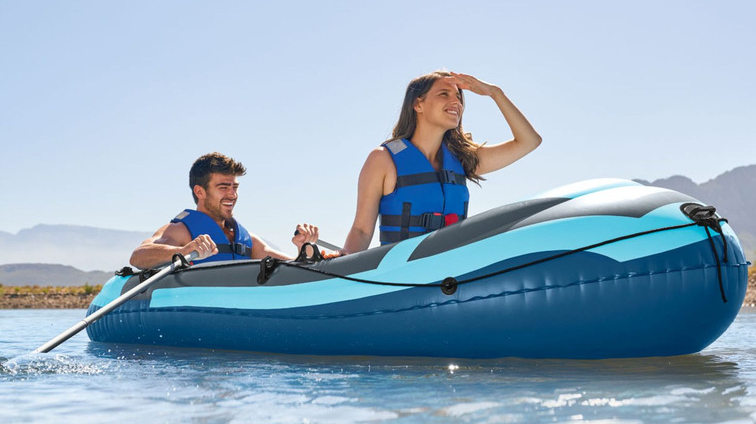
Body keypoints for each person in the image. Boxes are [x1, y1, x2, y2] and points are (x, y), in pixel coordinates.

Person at [341, 71, 542, 253]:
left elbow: (529, 141)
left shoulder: (462, 159)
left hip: (451, 274)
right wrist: (342, 261)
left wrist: (495, 93)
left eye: (458, 97)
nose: (456, 102)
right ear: (418, 105)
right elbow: (361, 230)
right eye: (444, 94)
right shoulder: (382, 160)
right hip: (401, 274)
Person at [129, 152, 319, 268]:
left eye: (234, 187)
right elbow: (138, 256)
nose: (232, 194)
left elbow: (294, 267)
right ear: (200, 191)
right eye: (223, 187)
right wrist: (184, 250)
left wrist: (305, 248)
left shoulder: (248, 240)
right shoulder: (180, 231)